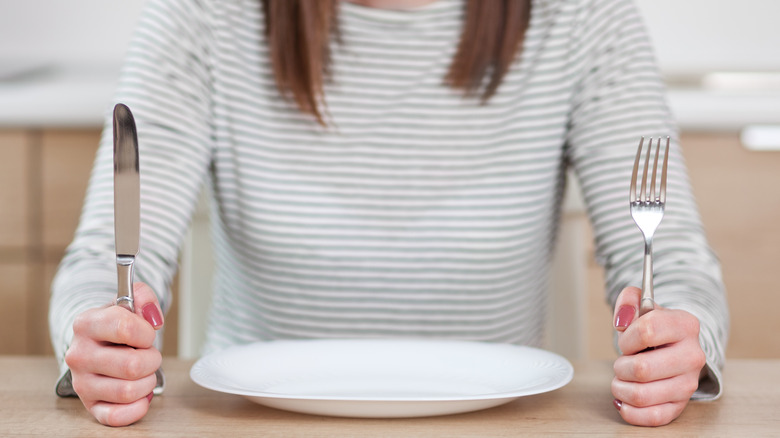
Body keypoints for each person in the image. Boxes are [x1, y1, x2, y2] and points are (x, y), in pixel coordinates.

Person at [50, 0, 729, 428]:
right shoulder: (201, 15)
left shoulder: (585, 18)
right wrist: (105, 339)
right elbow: (102, 261)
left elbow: (670, 262)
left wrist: (674, 340)